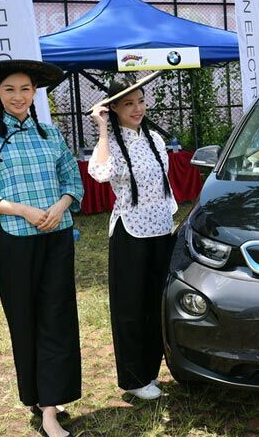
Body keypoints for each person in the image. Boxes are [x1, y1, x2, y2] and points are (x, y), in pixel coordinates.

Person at [0, 60, 83, 437]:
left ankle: (50, 407)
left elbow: (73, 181)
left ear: (35, 93)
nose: (19, 96)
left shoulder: (51, 134)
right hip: (16, 239)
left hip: (58, 237)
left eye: (26, 89)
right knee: (24, 319)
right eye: (10, 89)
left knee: (57, 316)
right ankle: (35, 395)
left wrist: (60, 206)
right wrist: (24, 210)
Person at [88, 79, 177, 400]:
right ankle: (134, 378)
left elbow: (163, 185)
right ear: (113, 108)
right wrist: (101, 129)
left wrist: (171, 219)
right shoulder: (110, 141)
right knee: (131, 308)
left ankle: (152, 372)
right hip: (131, 233)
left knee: (157, 304)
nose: (137, 108)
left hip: (161, 231)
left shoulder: (154, 138)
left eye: (140, 101)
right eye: (128, 104)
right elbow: (99, 173)